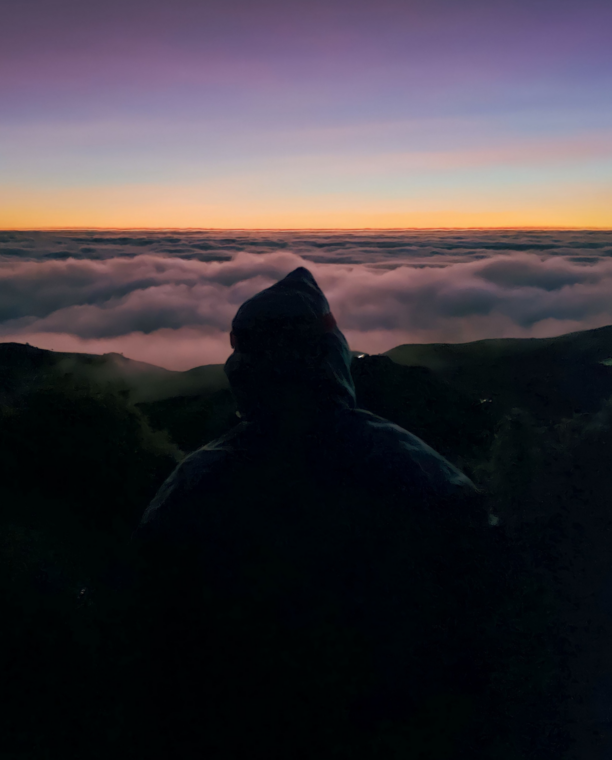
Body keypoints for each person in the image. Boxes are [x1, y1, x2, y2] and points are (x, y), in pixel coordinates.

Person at [134, 267, 498, 758]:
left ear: (243, 372)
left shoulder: (195, 485)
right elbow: (484, 583)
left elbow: (152, 629)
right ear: (332, 357)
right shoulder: (412, 467)